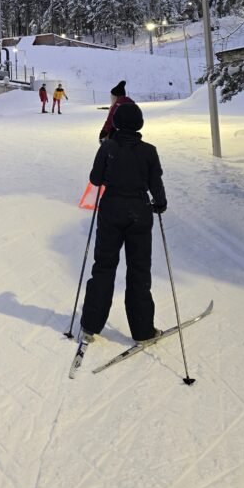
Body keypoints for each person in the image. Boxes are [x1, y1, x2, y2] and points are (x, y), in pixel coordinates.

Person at [80, 102, 167, 345]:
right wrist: (160, 202)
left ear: (117, 123)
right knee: (139, 269)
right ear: (139, 124)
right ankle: (143, 330)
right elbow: (155, 182)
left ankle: (90, 325)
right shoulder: (149, 151)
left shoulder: (108, 147)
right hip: (139, 212)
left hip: (111, 210)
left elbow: (95, 179)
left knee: (104, 266)